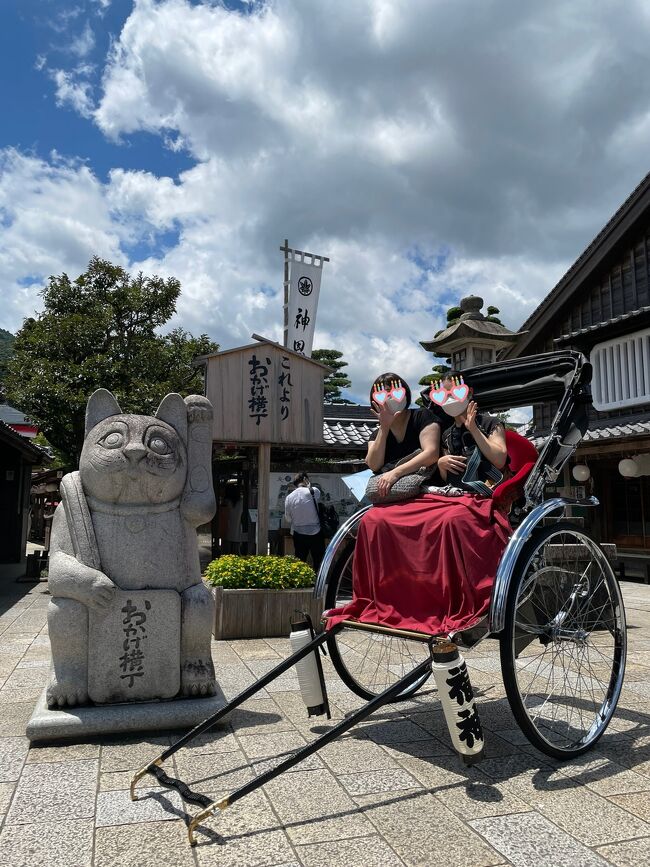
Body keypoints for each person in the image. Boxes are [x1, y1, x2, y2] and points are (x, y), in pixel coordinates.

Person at [327, 370, 512, 636]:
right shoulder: (448, 432)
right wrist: (438, 461)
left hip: (481, 493)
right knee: (373, 520)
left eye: (454, 391)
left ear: (468, 392)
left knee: (451, 521)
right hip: (446, 493)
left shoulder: (489, 422)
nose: (449, 398)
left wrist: (472, 428)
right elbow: (375, 464)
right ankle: (395, 597)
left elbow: (498, 460)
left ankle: (450, 600)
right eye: (443, 393)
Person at [366, 372, 449, 496]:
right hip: (393, 495)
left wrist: (395, 473)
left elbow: (431, 453)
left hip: (427, 489)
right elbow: (374, 465)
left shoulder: (422, 416)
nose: (389, 396)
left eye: (393, 391)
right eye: (383, 394)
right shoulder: (376, 434)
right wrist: (384, 427)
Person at [284, 472, 325, 571]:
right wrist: (309, 485)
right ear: (306, 480)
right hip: (316, 531)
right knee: (318, 560)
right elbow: (318, 499)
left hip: (298, 533)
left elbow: (288, 519)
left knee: (300, 560)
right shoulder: (314, 491)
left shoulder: (289, 498)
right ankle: (318, 582)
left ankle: (303, 581)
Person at [222, 484, 244, 554]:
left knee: (226, 551)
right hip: (238, 528)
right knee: (236, 550)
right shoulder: (241, 502)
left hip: (227, 528)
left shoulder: (226, 502)